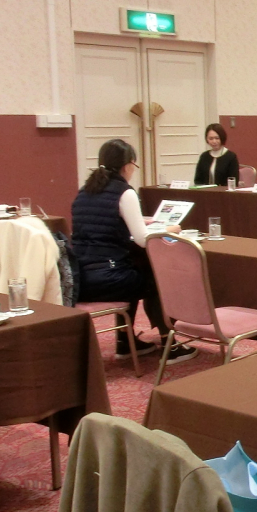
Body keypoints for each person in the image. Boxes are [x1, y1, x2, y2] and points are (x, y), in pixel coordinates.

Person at [71, 139, 197, 364]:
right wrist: (171, 229)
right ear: (127, 165)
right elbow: (142, 240)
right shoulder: (124, 192)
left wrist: (137, 222)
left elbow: (101, 228)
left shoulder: (84, 191)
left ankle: (124, 341)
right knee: (155, 278)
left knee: (133, 269)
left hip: (80, 280)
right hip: (107, 279)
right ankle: (170, 344)